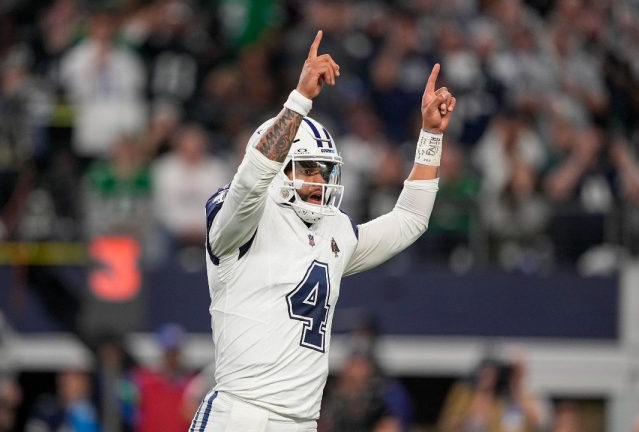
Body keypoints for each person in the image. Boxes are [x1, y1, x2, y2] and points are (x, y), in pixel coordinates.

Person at [195, 30, 456, 431]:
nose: (320, 180)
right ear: (281, 169)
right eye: (309, 169)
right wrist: (299, 99)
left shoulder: (335, 229)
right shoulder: (241, 217)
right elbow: (251, 179)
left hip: (302, 421)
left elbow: (409, 221)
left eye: (325, 170)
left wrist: (431, 138)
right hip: (242, 414)